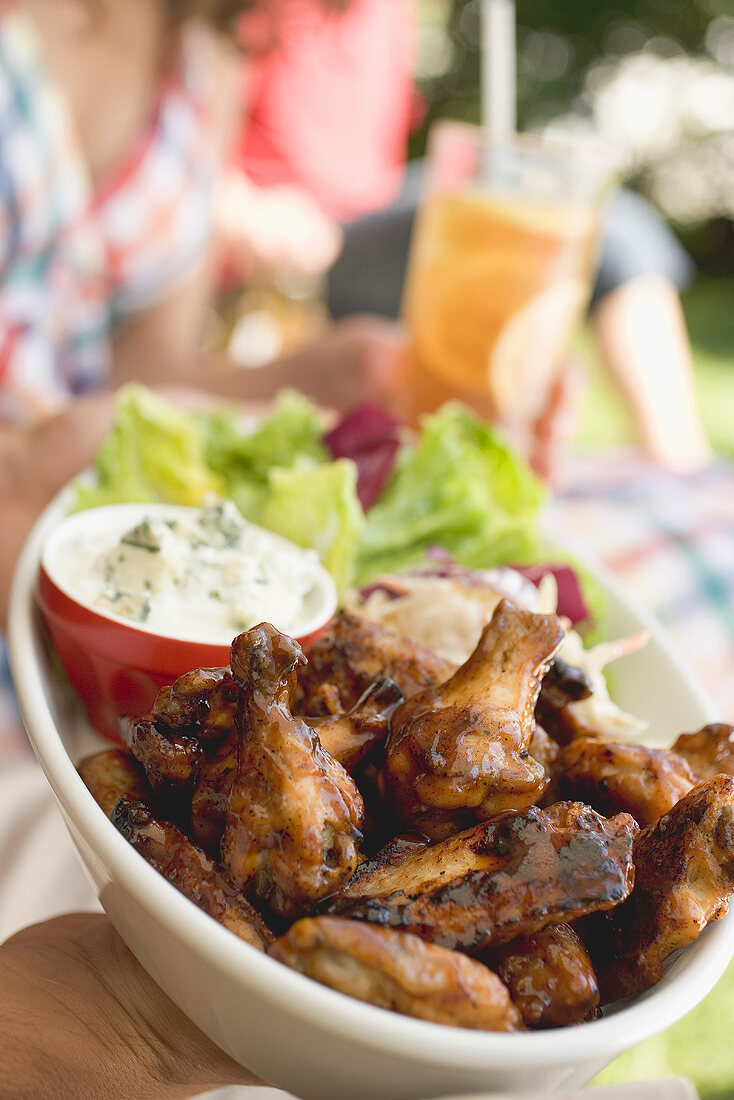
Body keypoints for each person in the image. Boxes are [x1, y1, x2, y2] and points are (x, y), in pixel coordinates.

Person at [222, 0, 712, 473]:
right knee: (614, 225)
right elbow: (183, 149)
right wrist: (251, 209)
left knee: (566, 233)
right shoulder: (251, 12)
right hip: (303, 239)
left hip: (364, 223)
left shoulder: (388, 14)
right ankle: (681, 464)